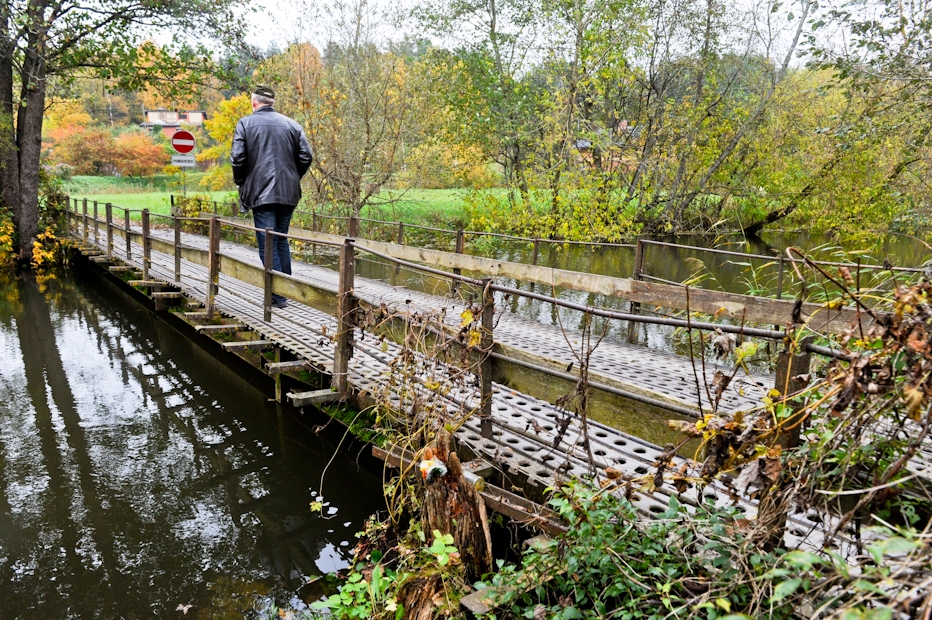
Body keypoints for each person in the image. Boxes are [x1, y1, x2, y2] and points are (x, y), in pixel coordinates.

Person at [231, 85, 313, 309]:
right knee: (280, 240)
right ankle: (285, 292)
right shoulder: (292, 124)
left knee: (267, 244)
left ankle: (278, 296)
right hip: (288, 192)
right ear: (272, 102)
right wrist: (292, 176)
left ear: (254, 102)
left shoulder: (245, 124)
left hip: (262, 193)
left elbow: (237, 159)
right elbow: (307, 156)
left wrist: (242, 181)